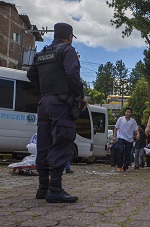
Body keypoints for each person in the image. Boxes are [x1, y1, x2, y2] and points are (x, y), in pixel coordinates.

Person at [27, 22, 86, 203]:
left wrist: (46, 91)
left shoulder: (42, 53)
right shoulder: (67, 50)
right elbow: (72, 73)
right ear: (70, 36)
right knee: (62, 141)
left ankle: (43, 188)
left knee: (44, 144)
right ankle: (55, 189)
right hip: (60, 104)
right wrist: (79, 95)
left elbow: (31, 75)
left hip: (44, 103)